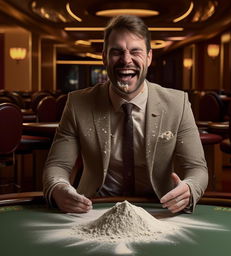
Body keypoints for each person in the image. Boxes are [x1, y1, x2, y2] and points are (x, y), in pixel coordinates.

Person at [43, 15, 208, 214]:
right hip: (93, 208)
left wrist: (190, 187)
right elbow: (57, 165)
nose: (126, 60)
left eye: (135, 51)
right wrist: (59, 188)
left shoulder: (177, 103)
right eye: (117, 52)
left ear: (148, 57)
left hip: (159, 209)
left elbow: (197, 168)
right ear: (104, 56)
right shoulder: (78, 103)